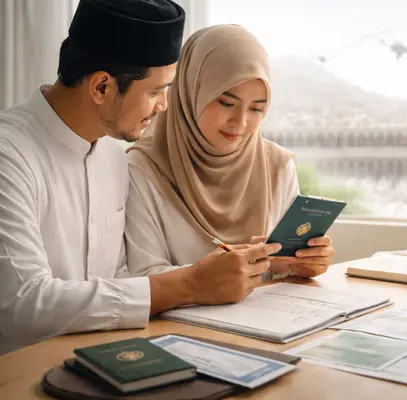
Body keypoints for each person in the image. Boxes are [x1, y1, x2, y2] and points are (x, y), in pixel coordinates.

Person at [0, 1, 280, 355]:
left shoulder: (114, 154)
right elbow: (22, 304)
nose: (164, 105)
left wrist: (231, 271)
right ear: (101, 87)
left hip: (102, 362)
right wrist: (189, 284)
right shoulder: (9, 155)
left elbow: (116, 281)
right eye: (154, 91)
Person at [125, 24, 336, 299]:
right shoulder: (141, 169)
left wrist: (300, 264)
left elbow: (280, 264)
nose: (240, 122)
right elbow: (139, 281)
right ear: (190, 92)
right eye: (225, 102)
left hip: (270, 328)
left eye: (256, 108)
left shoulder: (277, 166)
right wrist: (207, 279)